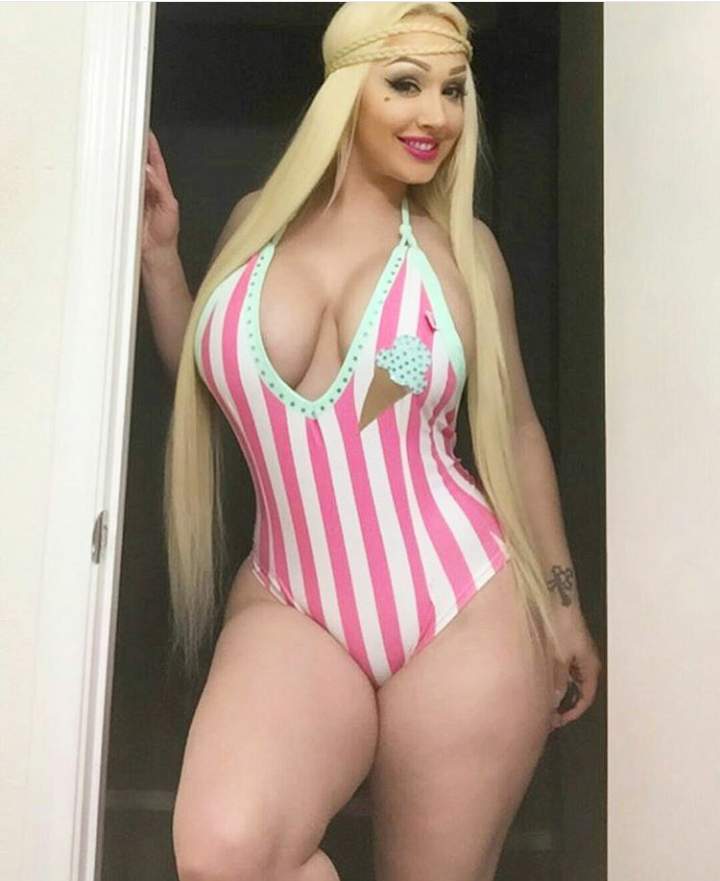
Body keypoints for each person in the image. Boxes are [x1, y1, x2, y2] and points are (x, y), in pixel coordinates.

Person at [141, 3, 602, 880]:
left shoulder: (463, 253)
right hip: (292, 601)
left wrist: (565, 602)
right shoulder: (253, 225)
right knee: (225, 855)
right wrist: (162, 263)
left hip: (462, 606)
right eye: (406, 84)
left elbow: (519, 430)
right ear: (346, 90)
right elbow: (211, 389)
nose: (436, 115)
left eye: (454, 91)